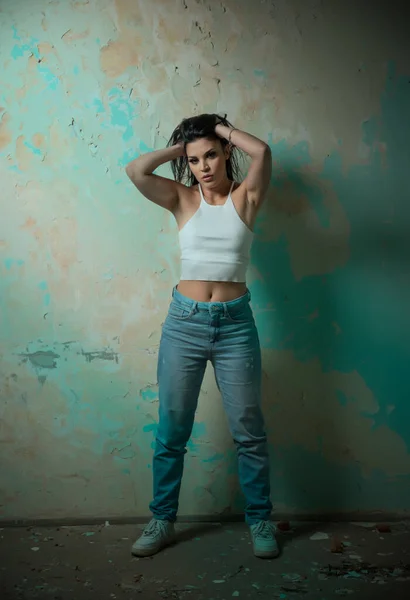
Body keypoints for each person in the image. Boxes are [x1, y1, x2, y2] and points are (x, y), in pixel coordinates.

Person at [125, 113, 278, 559]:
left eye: (211, 155)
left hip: (234, 326)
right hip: (184, 324)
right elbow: (136, 171)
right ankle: (162, 520)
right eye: (194, 161)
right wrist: (183, 144)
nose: (203, 166)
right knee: (172, 429)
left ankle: (261, 521)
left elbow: (263, 152)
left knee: (248, 430)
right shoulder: (182, 199)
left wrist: (218, 130)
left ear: (226, 152)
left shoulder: (246, 197)